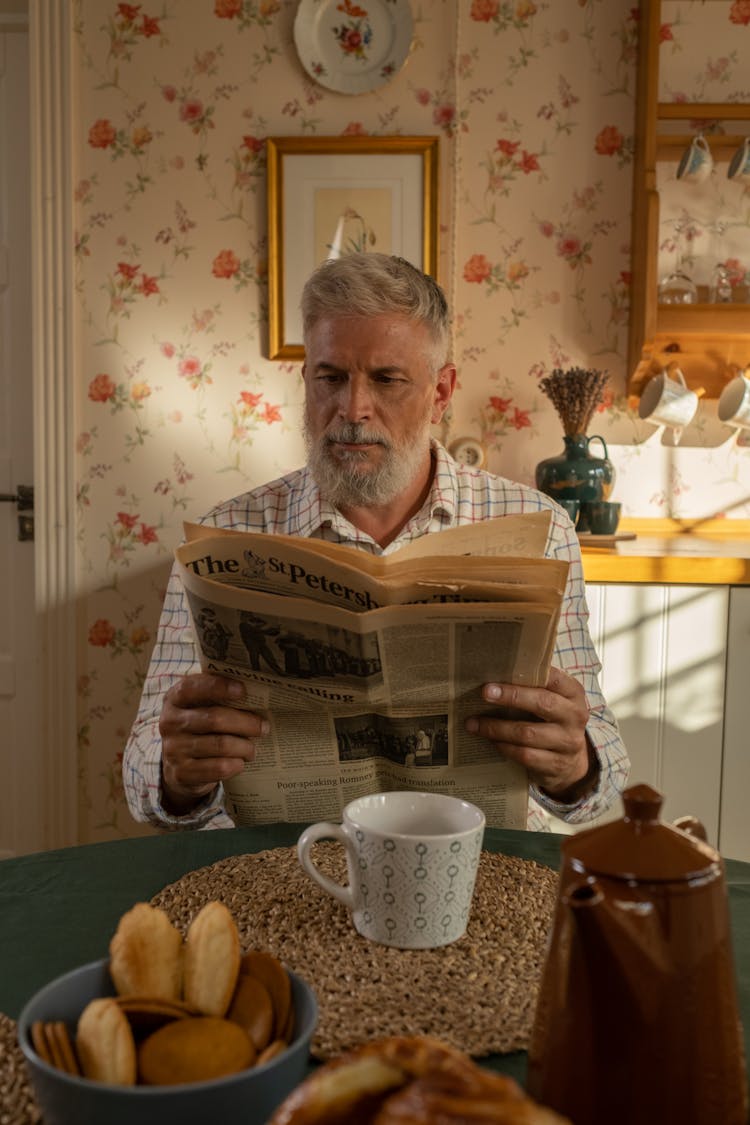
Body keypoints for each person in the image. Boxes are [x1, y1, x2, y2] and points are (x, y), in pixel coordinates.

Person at [123, 252, 629, 831]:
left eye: (387, 380)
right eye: (330, 377)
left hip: (478, 871)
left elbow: (601, 775)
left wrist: (575, 765)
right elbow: (143, 772)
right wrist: (175, 773)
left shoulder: (538, 526)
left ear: (441, 393)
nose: (353, 409)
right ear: (305, 381)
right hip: (286, 869)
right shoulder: (227, 535)